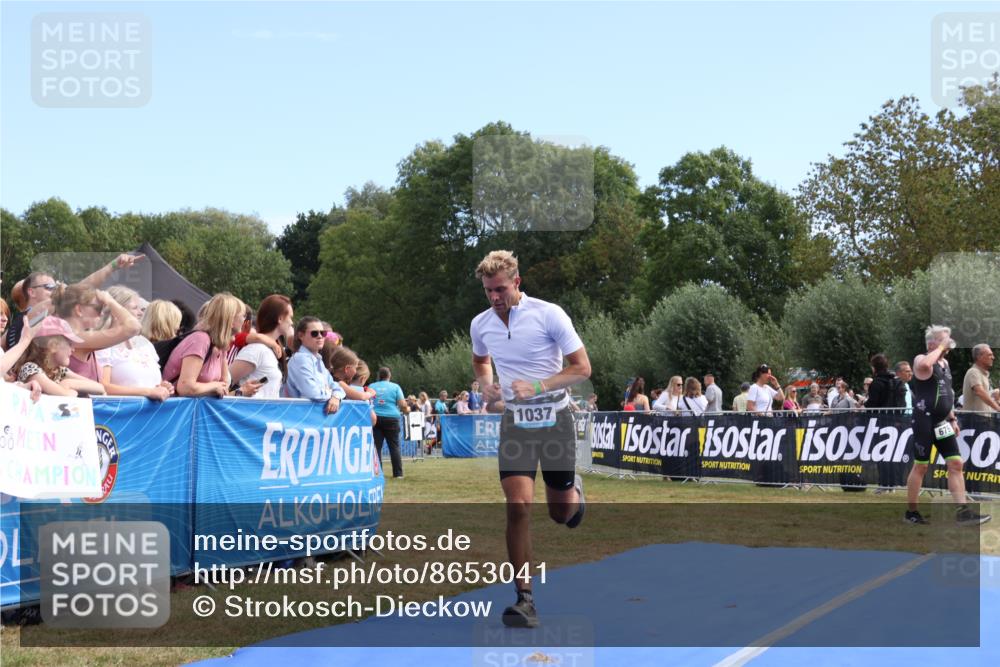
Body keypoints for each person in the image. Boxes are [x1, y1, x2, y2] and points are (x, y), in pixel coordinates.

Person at [470, 250, 590, 628]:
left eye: (501, 289)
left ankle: (575, 495)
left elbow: (582, 367)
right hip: (516, 424)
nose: (495, 297)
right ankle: (524, 598)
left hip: (556, 419)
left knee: (560, 514)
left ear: (517, 282)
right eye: (489, 291)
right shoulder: (481, 323)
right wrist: (488, 388)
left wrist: (537, 385)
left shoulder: (548, 313)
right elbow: (480, 360)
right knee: (518, 506)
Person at [904, 325, 990, 525]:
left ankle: (963, 512)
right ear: (932, 342)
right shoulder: (921, 359)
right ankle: (912, 512)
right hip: (924, 420)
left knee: (956, 463)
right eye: (944, 339)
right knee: (921, 466)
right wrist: (940, 346)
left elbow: (946, 393)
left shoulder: (945, 363)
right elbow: (925, 365)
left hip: (941, 422)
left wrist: (952, 418)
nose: (949, 342)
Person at [94, 286, 174, 401]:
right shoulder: (104, 344)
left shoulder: (145, 343)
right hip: (123, 414)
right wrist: (148, 392)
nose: (140, 313)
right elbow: (103, 387)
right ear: (117, 310)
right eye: (135, 308)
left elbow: (155, 383)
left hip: (153, 415)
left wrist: (163, 387)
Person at [50, 283, 142, 382]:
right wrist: (110, 301)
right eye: (98, 308)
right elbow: (133, 327)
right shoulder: (75, 338)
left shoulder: (72, 336)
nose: (102, 313)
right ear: (79, 310)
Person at [163, 293, 244, 398]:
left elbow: (224, 385)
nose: (244, 320)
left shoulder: (219, 345)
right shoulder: (201, 340)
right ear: (231, 320)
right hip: (172, 410)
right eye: (243, 315)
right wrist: (214, 386)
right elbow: (185, 387)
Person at [13, 316, 107, 397]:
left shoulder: (60, 371)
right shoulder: (30, 369)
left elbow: (100, 387)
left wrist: (69, 383)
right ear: (53, 346)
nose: (73, 349)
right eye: (70, 344)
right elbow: (66, 395)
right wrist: (69, 389)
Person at [230, 295, 293, 400]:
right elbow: (225, 382)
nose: (292, 322)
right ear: (280, 319)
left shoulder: (270, 350)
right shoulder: (256, 349)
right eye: (290, 317)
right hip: (248, 414)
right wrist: (240, 393)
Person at [285, 316, 343, 414]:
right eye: (314, 333)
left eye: (323, 333)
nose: (320, 336)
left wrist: (336, 397)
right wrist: (330, 393)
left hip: (312, 419)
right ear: (300, 335)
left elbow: (337, 388)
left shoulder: (318, 360)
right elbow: (312, 393)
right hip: (298, 418)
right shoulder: (300, 359)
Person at [369, 366, 408, 479]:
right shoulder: (395, 387)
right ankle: (398, 474)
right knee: (394, 447)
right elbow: (402, 404)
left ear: (379, 376)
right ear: (389, 375)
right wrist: (407, 410)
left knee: (377, 448)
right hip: (392, 419)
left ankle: (377, 474)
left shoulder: (372, 386)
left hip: (375, 418)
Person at [962, 344, 1000, 413]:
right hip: (974, 419)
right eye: (989, 355)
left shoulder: (983, 374)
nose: (993, 357)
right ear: (979, 357)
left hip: (981, 418)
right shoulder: (974, 372)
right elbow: (980, 392)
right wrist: (998, 408)